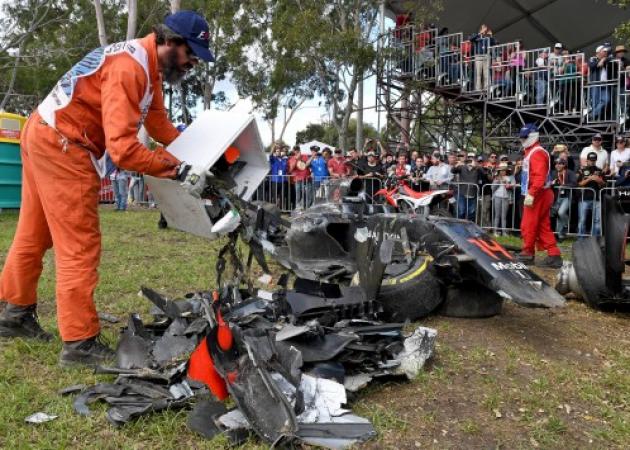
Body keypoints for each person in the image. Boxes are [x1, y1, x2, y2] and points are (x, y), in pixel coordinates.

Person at [0, 11, 213, 367]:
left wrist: (198, 153)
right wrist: (176, 168)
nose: (193, 63)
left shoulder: (147, 68)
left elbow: (158, 123)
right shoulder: (129, 68)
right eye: (190, 53)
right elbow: (123, 150)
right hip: (65, 142)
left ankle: (12, 314)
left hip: (44, 130)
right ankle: (79, 343)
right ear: (169, 41)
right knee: (79, 245)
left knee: (33, 234)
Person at [516, 124, 562, 268]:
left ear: (533, 136)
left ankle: (527, 253)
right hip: (539, 193)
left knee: (528, 224)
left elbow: (539, 176)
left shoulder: (536, 152)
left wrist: (531, 193)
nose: (523, 140)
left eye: (525, 137)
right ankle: (554, 255)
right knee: (543, 226)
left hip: (537, 194)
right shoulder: (532, 151)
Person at [577, 152, 605, 236]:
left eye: (593, 160)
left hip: (596, 198)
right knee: (582, 220)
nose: (592, 162)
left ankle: (595, 239)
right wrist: (589, 179)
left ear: (596, 160)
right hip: (584, 198)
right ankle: (581, 239)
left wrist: (599, 180)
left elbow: (604, 184)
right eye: (590, 160)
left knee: (597, 221)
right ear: (587, 160)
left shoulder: (599, 170)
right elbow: (579, 184)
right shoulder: (581, 170)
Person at [550, 158, 577, 241]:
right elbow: (547, 183)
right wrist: (552, 183)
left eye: (560, 163)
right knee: (557, 215)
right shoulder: (553, 173)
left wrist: (564, 185)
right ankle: (560, 236)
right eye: (556, 163)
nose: (557, 165)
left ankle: (565, 225)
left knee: (561, 213)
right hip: (556, 197)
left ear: (564, 165)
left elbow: (574, 183)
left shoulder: (570, 172)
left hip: (567, 196)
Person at [451, 152, 482, 221]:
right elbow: (452, 171)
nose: (471, 159)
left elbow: (483, 174)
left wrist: (477, 166)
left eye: (472, 157)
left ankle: (469, 229)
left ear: (475, 159)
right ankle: (459, 227)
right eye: (469, 157)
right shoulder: (462, 167)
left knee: (471, 213)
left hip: (473, 193)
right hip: (462, 193)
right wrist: (457, 164)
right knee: (461, 211)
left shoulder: (478, 168)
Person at [491, 163, 515, 235]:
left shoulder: (511, 177)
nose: (502, 172)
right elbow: (492, 188)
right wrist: (497, 181)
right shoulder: (496, 178)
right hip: (497, 197)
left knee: (504, 216)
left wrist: (508, 185)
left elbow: (514, 187)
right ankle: (495, 231)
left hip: (506, 197)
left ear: (506, 171)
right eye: (501, 170)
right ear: (499, 171)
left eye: (504, 170)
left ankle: (504, 232)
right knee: (497, 215)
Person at [269, 144, 289, 208]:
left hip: (283, 181)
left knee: (282, 196)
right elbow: (270, 155)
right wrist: (274, 147)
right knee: (275, 196)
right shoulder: (273, 159)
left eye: (279, 151)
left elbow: (286, 168)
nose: (278, 152)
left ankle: (281, 210)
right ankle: (274, 210)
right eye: (277, 151)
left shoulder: (284, 159)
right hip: (275, 180)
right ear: (275, 152)